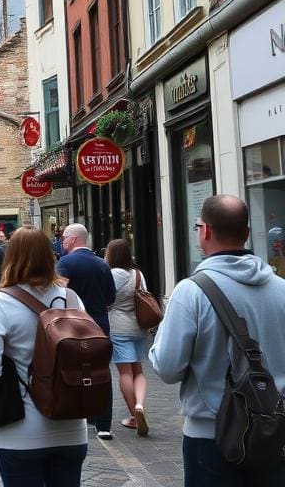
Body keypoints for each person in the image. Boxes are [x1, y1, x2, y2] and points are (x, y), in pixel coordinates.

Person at [150, 195, 285, 486]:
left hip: (211, 437)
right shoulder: (281, 289)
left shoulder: (191, 292)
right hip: (275, 432)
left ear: (205, 231)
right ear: (247, 233)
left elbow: (167, 367)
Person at [0, 227, 88, 486]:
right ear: (49, 256)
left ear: (10, 258)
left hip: (20, 431)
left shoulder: (0, 302)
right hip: (71, 427)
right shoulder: (71, 298)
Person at [57, 223, 116, 440]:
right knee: (101, 371)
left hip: (73, 324)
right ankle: (103, 424)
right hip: (100, 324)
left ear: (73, 239)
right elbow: (111, 297)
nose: (62, 242)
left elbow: (59, 294)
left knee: (72, 369)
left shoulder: (65, 263)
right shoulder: (102, 264)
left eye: (64, 238)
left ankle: (78, 414)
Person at [104, 239, 151, 436]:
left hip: (118, 327)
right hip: (138, 328)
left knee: (125, 373)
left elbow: (107, 299)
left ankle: (133, 416)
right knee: (138, 370)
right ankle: (140, 405)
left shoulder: (112, 274)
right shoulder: (138, 274)